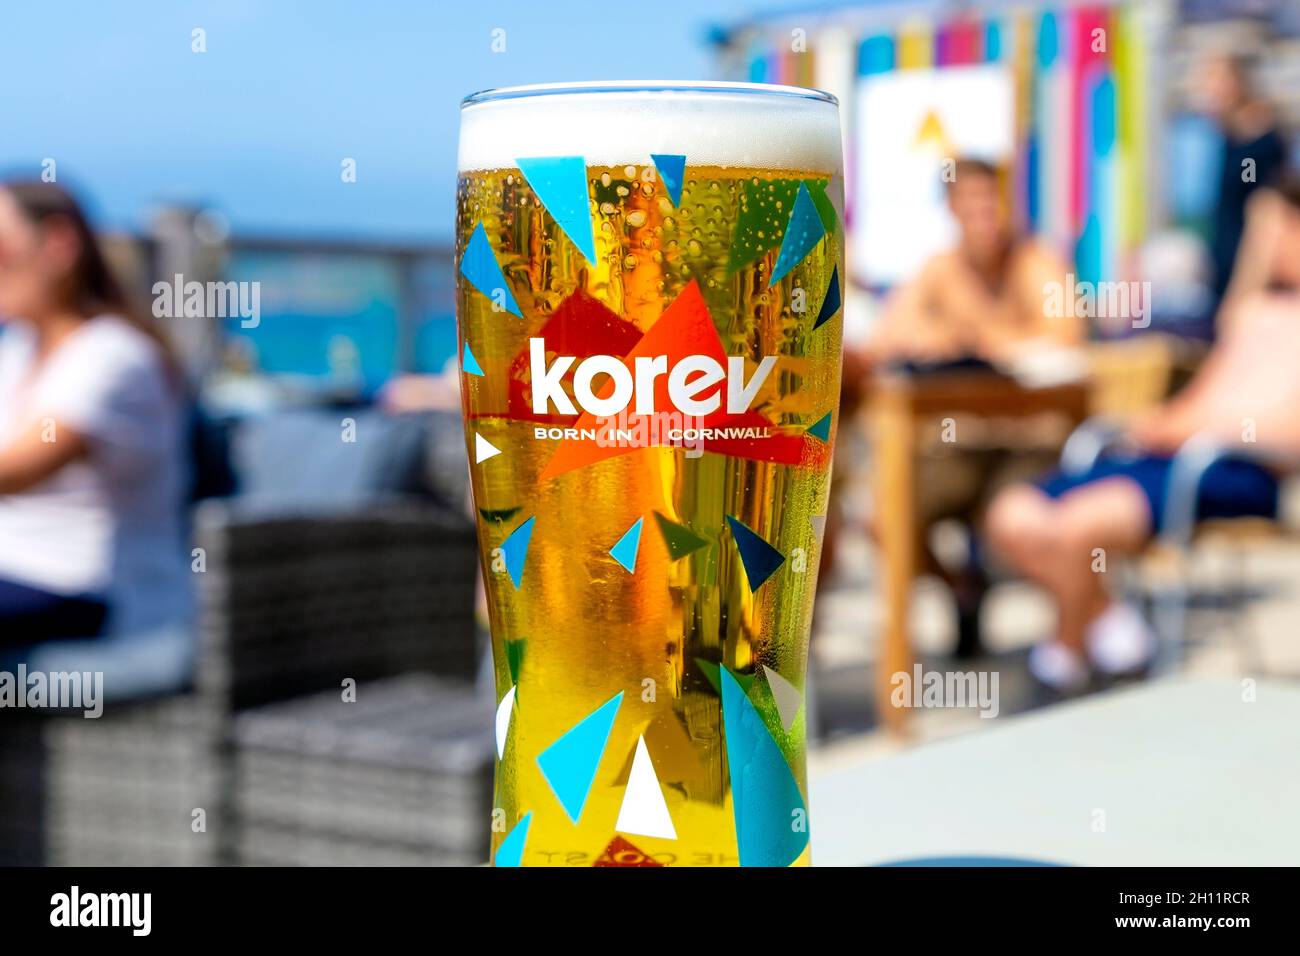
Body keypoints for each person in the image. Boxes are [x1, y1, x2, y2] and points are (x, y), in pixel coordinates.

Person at [985, 174, 1300, 692]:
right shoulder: (1253, 315)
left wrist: (1191, 427)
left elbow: (1284, 435)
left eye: (1281, 229)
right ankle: (1115, 629)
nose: (1271, 241)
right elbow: (1209, 383)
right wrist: (1162, 422)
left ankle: (1061, 663)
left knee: (1075, 530)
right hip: (1176, 454)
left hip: (1231, 466)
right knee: (1010, 514)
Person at [861, 158, 1083, 656]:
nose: (985, 214)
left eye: (992, 200)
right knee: (883, 517)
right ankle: (960, 585)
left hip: (1030, 443)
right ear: (953, 209)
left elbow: (1066, 341)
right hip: (957, 442)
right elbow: (886, 338)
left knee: (1017, 525)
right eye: (972, 202)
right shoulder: (940, 268)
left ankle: (1082, 638)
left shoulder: (1035, 259)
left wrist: (973, 339)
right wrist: (945, 339)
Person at [0, 180, 191, 646]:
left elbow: (20, 469)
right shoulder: (17, 349)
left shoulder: (113, 356)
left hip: (97, 594)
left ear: (59, 245)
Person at [1198, 51, 1289, 307]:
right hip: (1225, 255)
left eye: (1214, 80)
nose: (1208, 89)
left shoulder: (1256, 144)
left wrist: (1249, 278)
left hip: (1248, 261)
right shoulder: (1229, 136)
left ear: (1236, 83)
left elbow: (1258, 200)